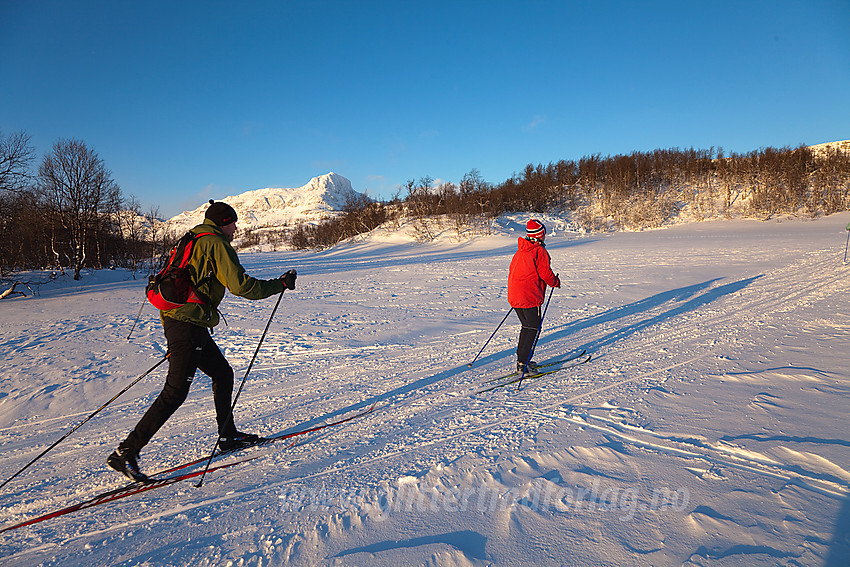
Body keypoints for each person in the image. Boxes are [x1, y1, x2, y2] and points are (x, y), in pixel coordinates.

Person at [108, 200, 297, 481]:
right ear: (223, 222)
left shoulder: (194, 236)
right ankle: (127, 451)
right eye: (233, 223)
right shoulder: (216, 243)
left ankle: (228, 435)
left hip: (184, 319)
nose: (236, 228)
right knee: (175, 391)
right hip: (186, 323)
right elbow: (241, 286)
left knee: (223, 373)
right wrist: (278, 285)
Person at [507, 219, 560, 374]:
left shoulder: (520, 250)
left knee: (527, 327)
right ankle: (523, 364)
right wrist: (555, 282)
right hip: (529, 296)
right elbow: (545, 274)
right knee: (534, 328)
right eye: (544, 234)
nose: (545, 236)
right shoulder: (539, 251)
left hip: (515, 296)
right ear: (540, 235)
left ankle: (522, 360)